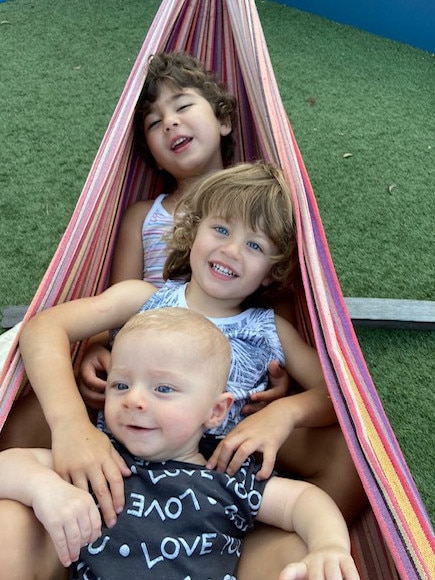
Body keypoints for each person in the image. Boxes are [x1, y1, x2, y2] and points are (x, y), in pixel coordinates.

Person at [0, 307, 360, 580]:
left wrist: (329, 545)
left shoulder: (227, 473)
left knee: (302, 556)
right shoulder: (101, 461)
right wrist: (45, 489)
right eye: (120, 385)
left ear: (216, 411)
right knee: (9, 521)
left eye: (163, 389)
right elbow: (8, 466)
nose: (134, 400)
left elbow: (304, 500)